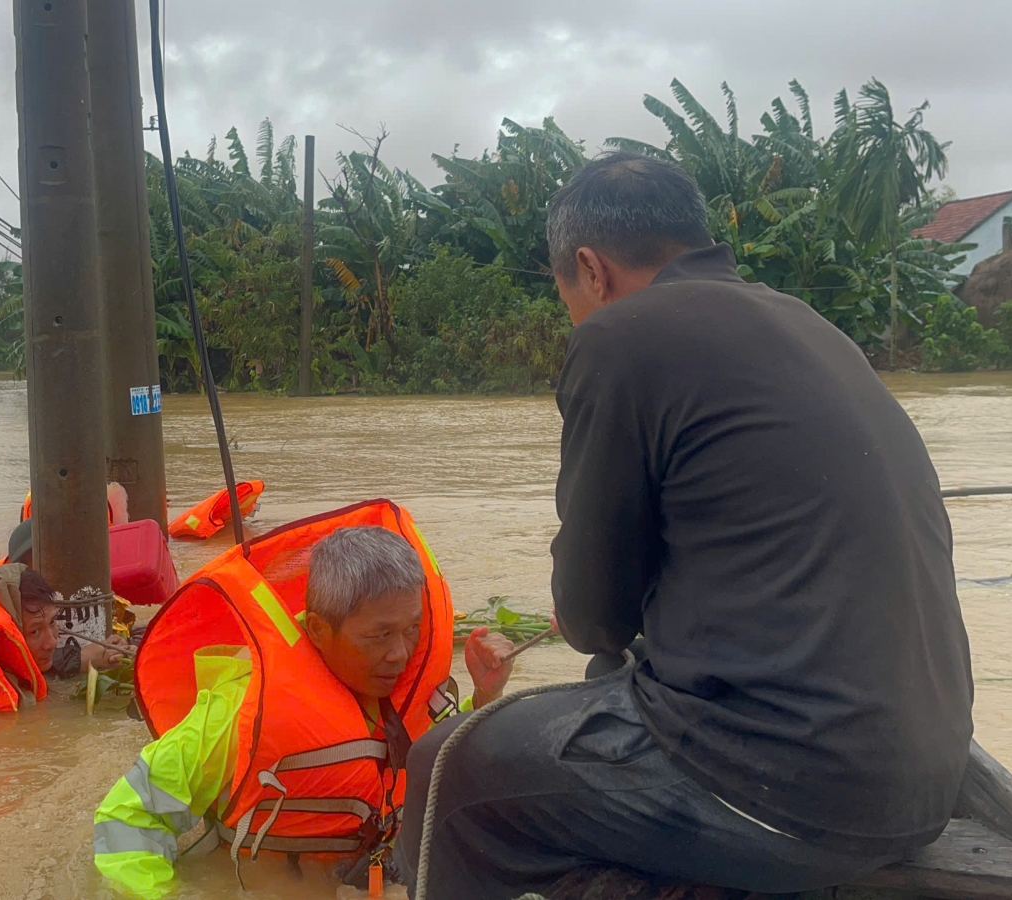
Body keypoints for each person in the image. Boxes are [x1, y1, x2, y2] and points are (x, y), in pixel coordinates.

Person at [395, 152, 974, 899]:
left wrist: (591, 605)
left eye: (568, 297)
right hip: (927, 780)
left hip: (790, 789)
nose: (574, 315)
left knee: (446, 766)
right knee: (611, 684)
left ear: (590, 269)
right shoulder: (809, 324)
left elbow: (594, 618)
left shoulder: (619, 335)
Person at [93, 511, 516, 899]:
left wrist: (485, 697)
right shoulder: (240, 712)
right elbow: (126, 818)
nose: (401, 654)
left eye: (412, 629)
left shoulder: (414, 690)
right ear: (317, 629)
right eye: (379, 635)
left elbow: (446, 774)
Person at [0, 518, 128, 680]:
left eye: (65, 557)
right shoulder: (9, 600)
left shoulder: (92, 594)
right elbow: (11, 659)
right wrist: (78, 660)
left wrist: (121, 647)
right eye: (48, 562)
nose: (62, 567)